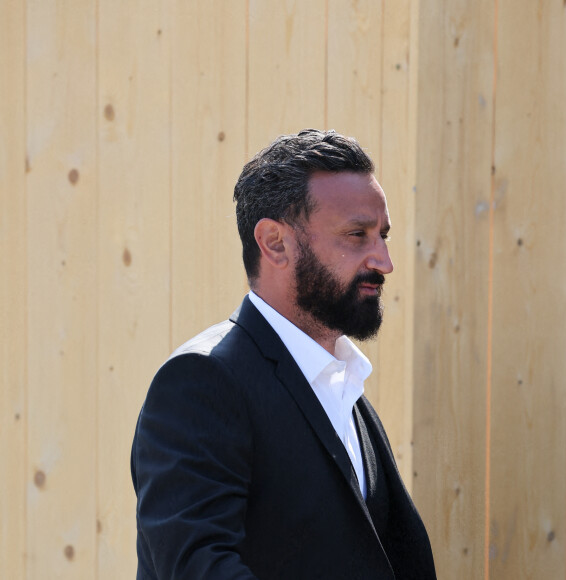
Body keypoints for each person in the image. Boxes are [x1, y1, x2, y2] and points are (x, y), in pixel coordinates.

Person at [131, 129, 437, 579]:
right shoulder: (201, 383)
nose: (383, 261)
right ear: (275, 243)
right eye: (357, 235)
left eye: (383, 236)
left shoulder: (347, 390)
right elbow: (198, 567)